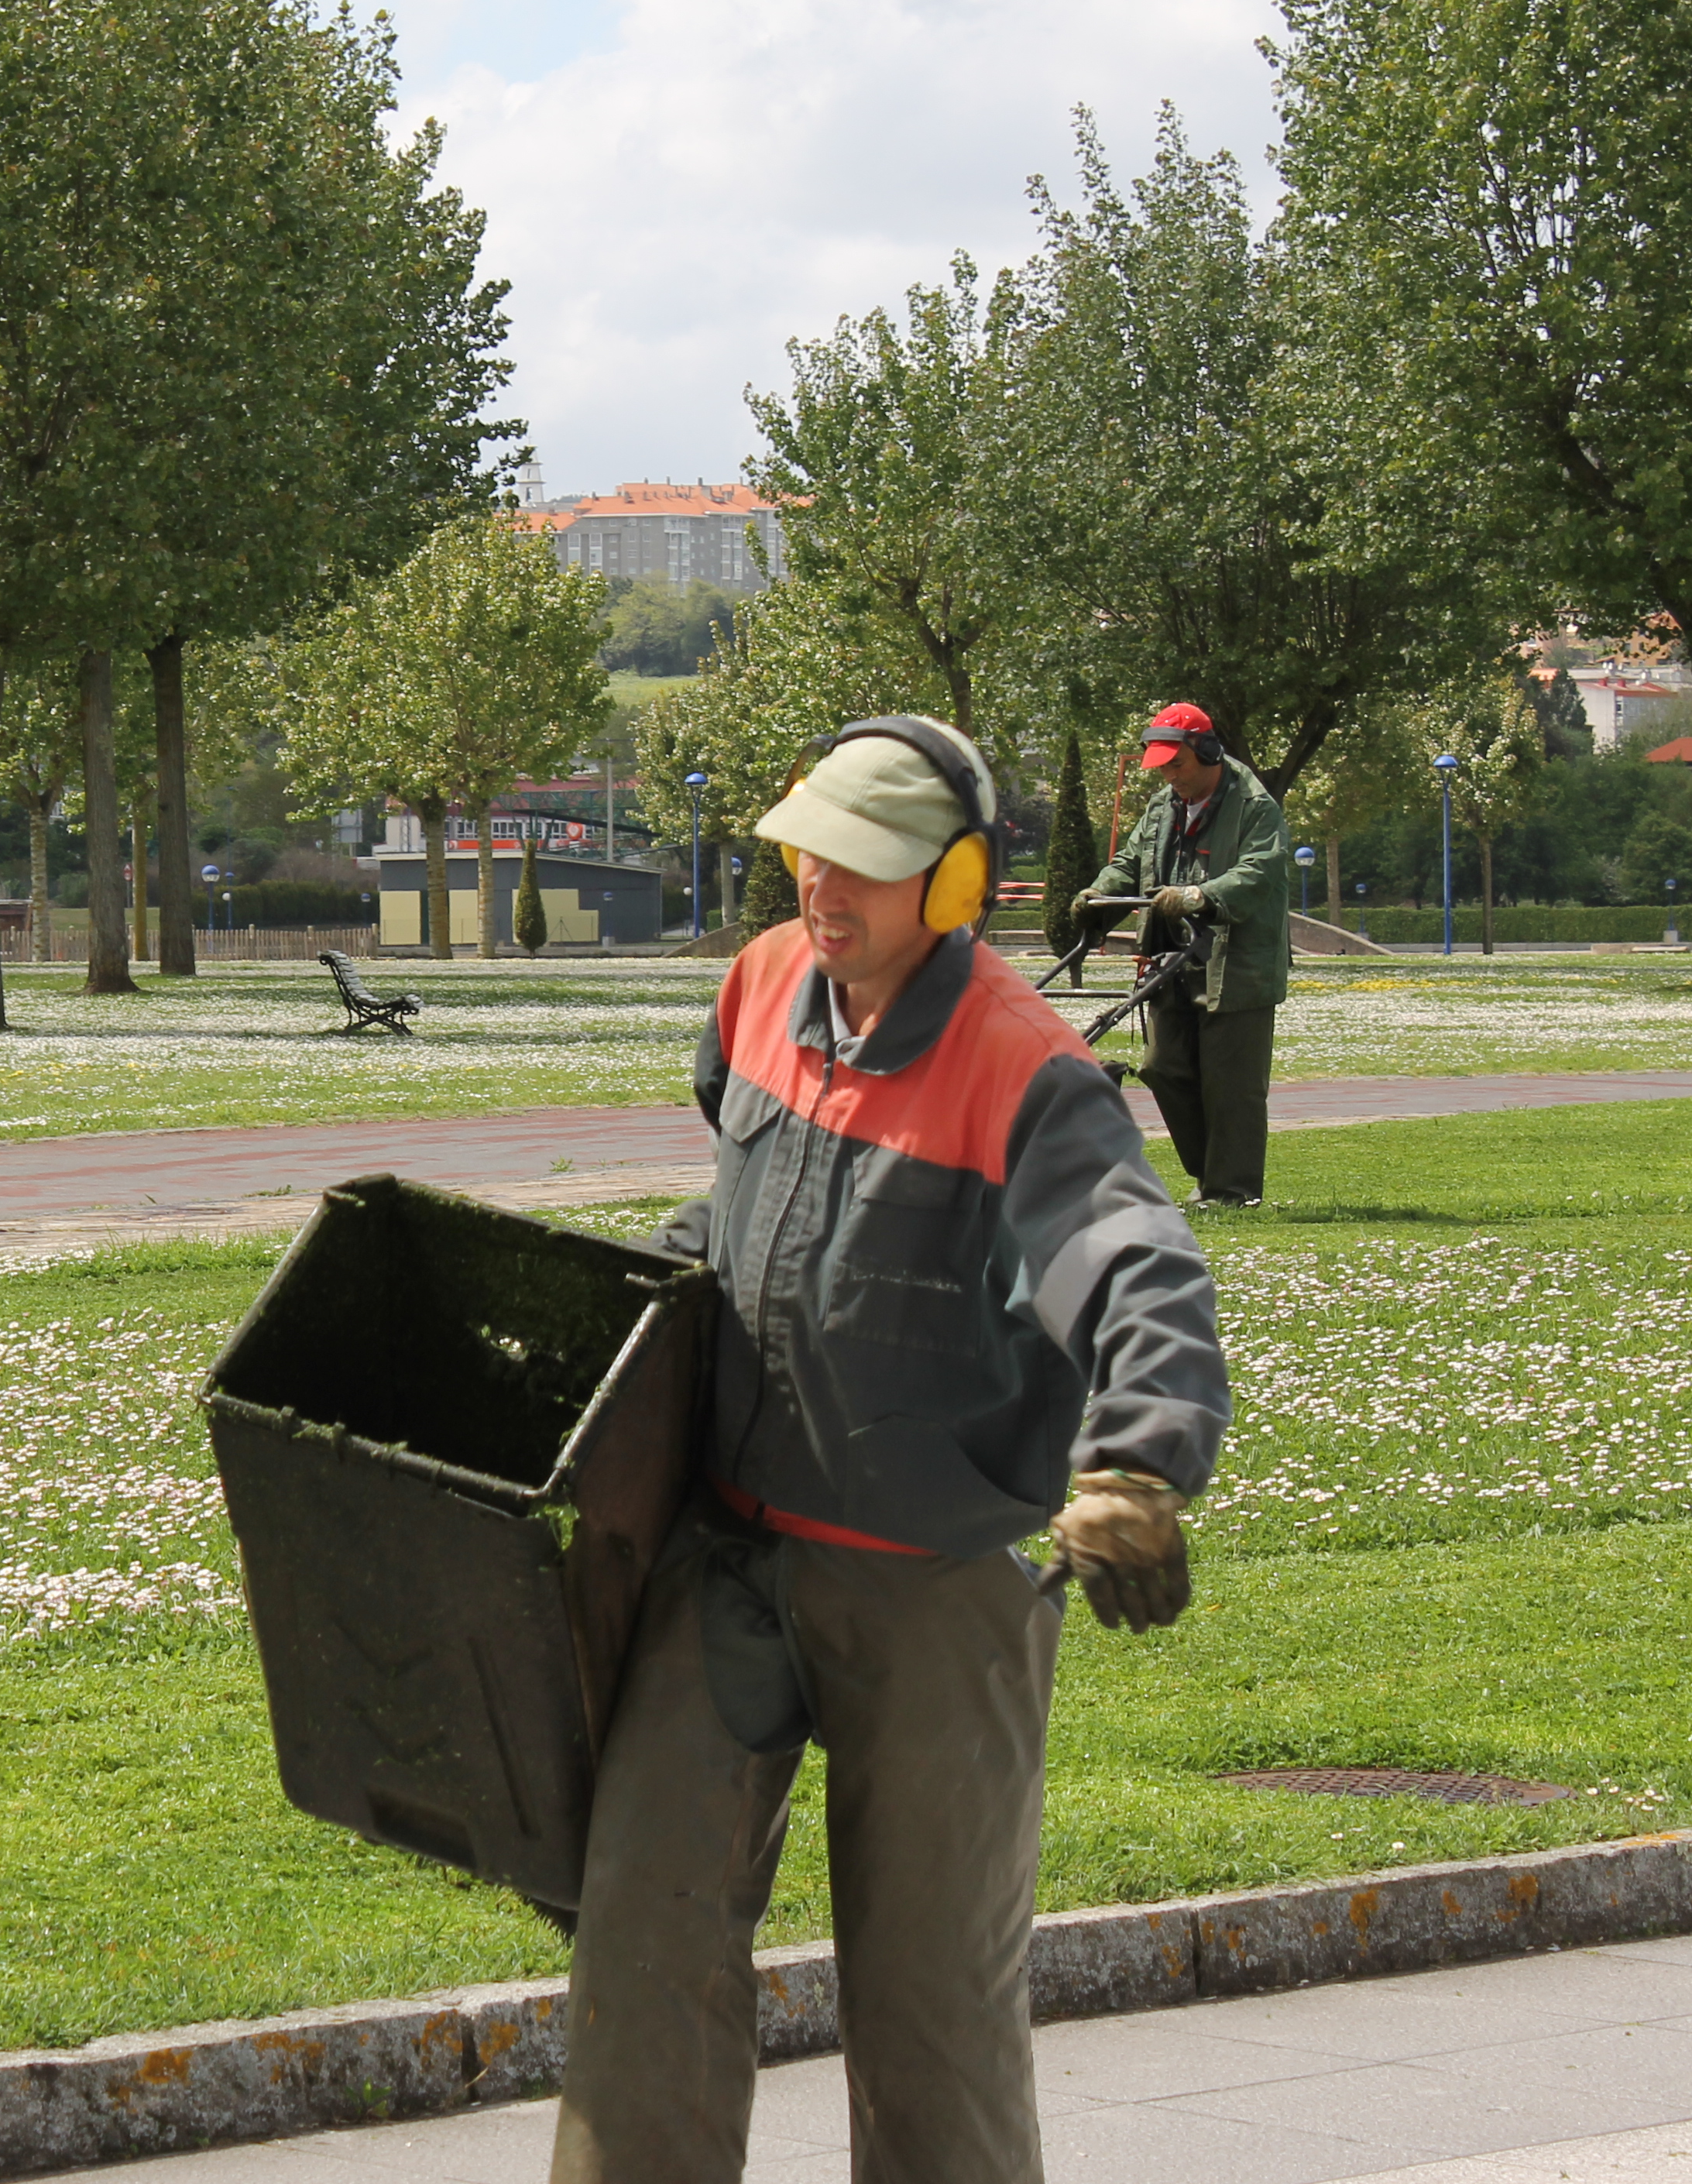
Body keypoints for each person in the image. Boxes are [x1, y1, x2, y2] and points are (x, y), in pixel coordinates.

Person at [553, 715, 1230, 2184]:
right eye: (809, 852)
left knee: (932, 2004)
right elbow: (743, 1202)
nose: (823, 886)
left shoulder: (1023, 1069)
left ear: (957, 883)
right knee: (640, 1937)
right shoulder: (756, 984)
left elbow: (1136, 1263)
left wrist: (1138, 1458)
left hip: (930, 1586)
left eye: (862, 863)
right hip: (727, 1555)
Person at [1075, 702, 1292, 1207]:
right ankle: (1210, 1174)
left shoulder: (1254, 805)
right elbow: (1130, 862)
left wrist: (1200, 896)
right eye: (1163, 768)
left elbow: (1261, 869)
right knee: (1163, 1067)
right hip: (1172, 958)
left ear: (1208, 751)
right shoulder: (1163, 806)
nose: (1172, 776)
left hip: (1237, 962)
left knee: (1231, 1083)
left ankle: (1232, 1190)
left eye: (1178, 764)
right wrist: (1098, 895)